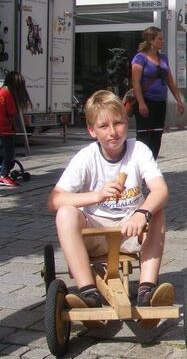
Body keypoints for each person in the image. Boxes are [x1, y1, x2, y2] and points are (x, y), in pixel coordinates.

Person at [47, 90, 173, 310]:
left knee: (157, 209)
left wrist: (141, 213)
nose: (113, 132)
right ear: (91, 130)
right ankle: (88, 291)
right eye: (104, 127)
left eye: (118, 123)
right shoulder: (86, 157)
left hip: (131, 231)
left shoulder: (139, 150)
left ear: (126, 121)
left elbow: (160, 189)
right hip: (94, 233)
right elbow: (54, 200)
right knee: (65, 213)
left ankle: (147, 289)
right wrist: (96, 195)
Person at [131, 26, 185, 160]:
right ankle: (140, 167)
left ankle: (151, 164)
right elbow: (135, 81)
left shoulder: (163, 58)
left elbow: (170, 82)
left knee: (157, 135)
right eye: (160, 39)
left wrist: (179, 100)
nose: (163, 41)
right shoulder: (140, 58)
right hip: (146, 101)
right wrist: (141, 103)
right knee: (144, 137)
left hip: (160, 102)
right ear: (151, 40)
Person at [0, 71, 31, 187]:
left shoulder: (2, 90)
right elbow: (12, 114)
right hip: (4, 128)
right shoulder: (8, 93)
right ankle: (3, 175)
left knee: (2, 153)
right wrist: (16, 128)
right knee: (9, 153)